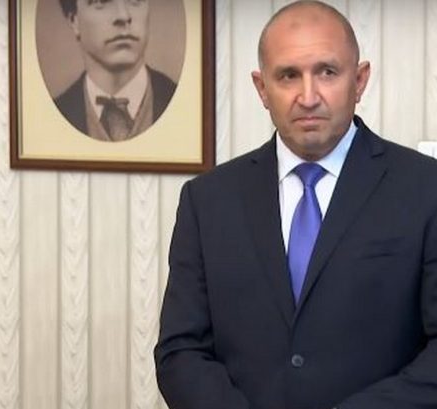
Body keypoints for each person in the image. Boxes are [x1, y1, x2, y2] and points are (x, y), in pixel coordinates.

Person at [155, 1, 437, 408]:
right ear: (262, 88)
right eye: (288, 75)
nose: (308, 96)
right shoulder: (208, 200)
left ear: (359, 80)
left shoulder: (425, 188)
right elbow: (181, 350)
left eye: (327, 72)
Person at [54, 0, 177, 142]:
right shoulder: (52, 117)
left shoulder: (188, 107)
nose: (123, 16)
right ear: (74, 21)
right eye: (101, 1)